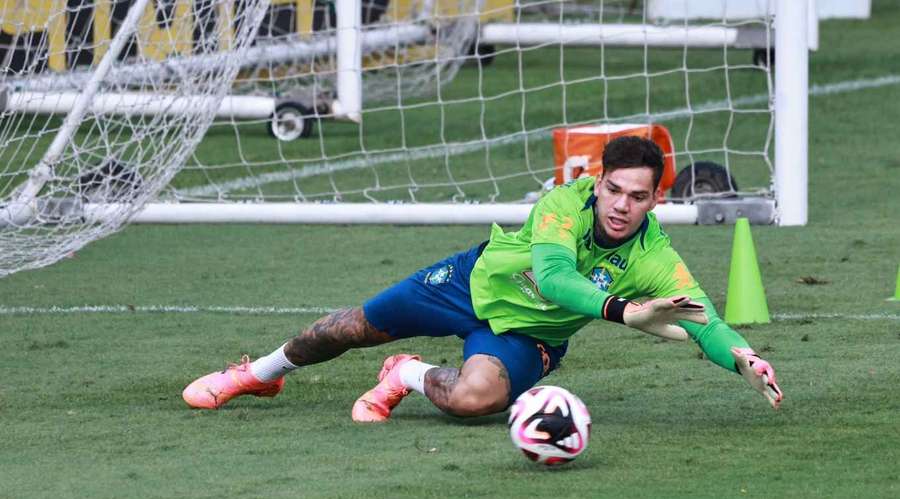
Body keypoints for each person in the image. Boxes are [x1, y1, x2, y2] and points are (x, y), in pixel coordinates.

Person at [182, 136, 783, 420]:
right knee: (345, 328)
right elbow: (552, 278)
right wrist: (626, 313)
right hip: (468, 284)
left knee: (475, 400)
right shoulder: (561, 205)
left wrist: (745, 358)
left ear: (655, 201)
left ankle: (406, 375)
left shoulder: (655, 255)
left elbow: (702, 316)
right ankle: (258, 375)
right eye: (614, 190)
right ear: (598, 184)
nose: (622, 205)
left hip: (529, 337)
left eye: (637, 197)